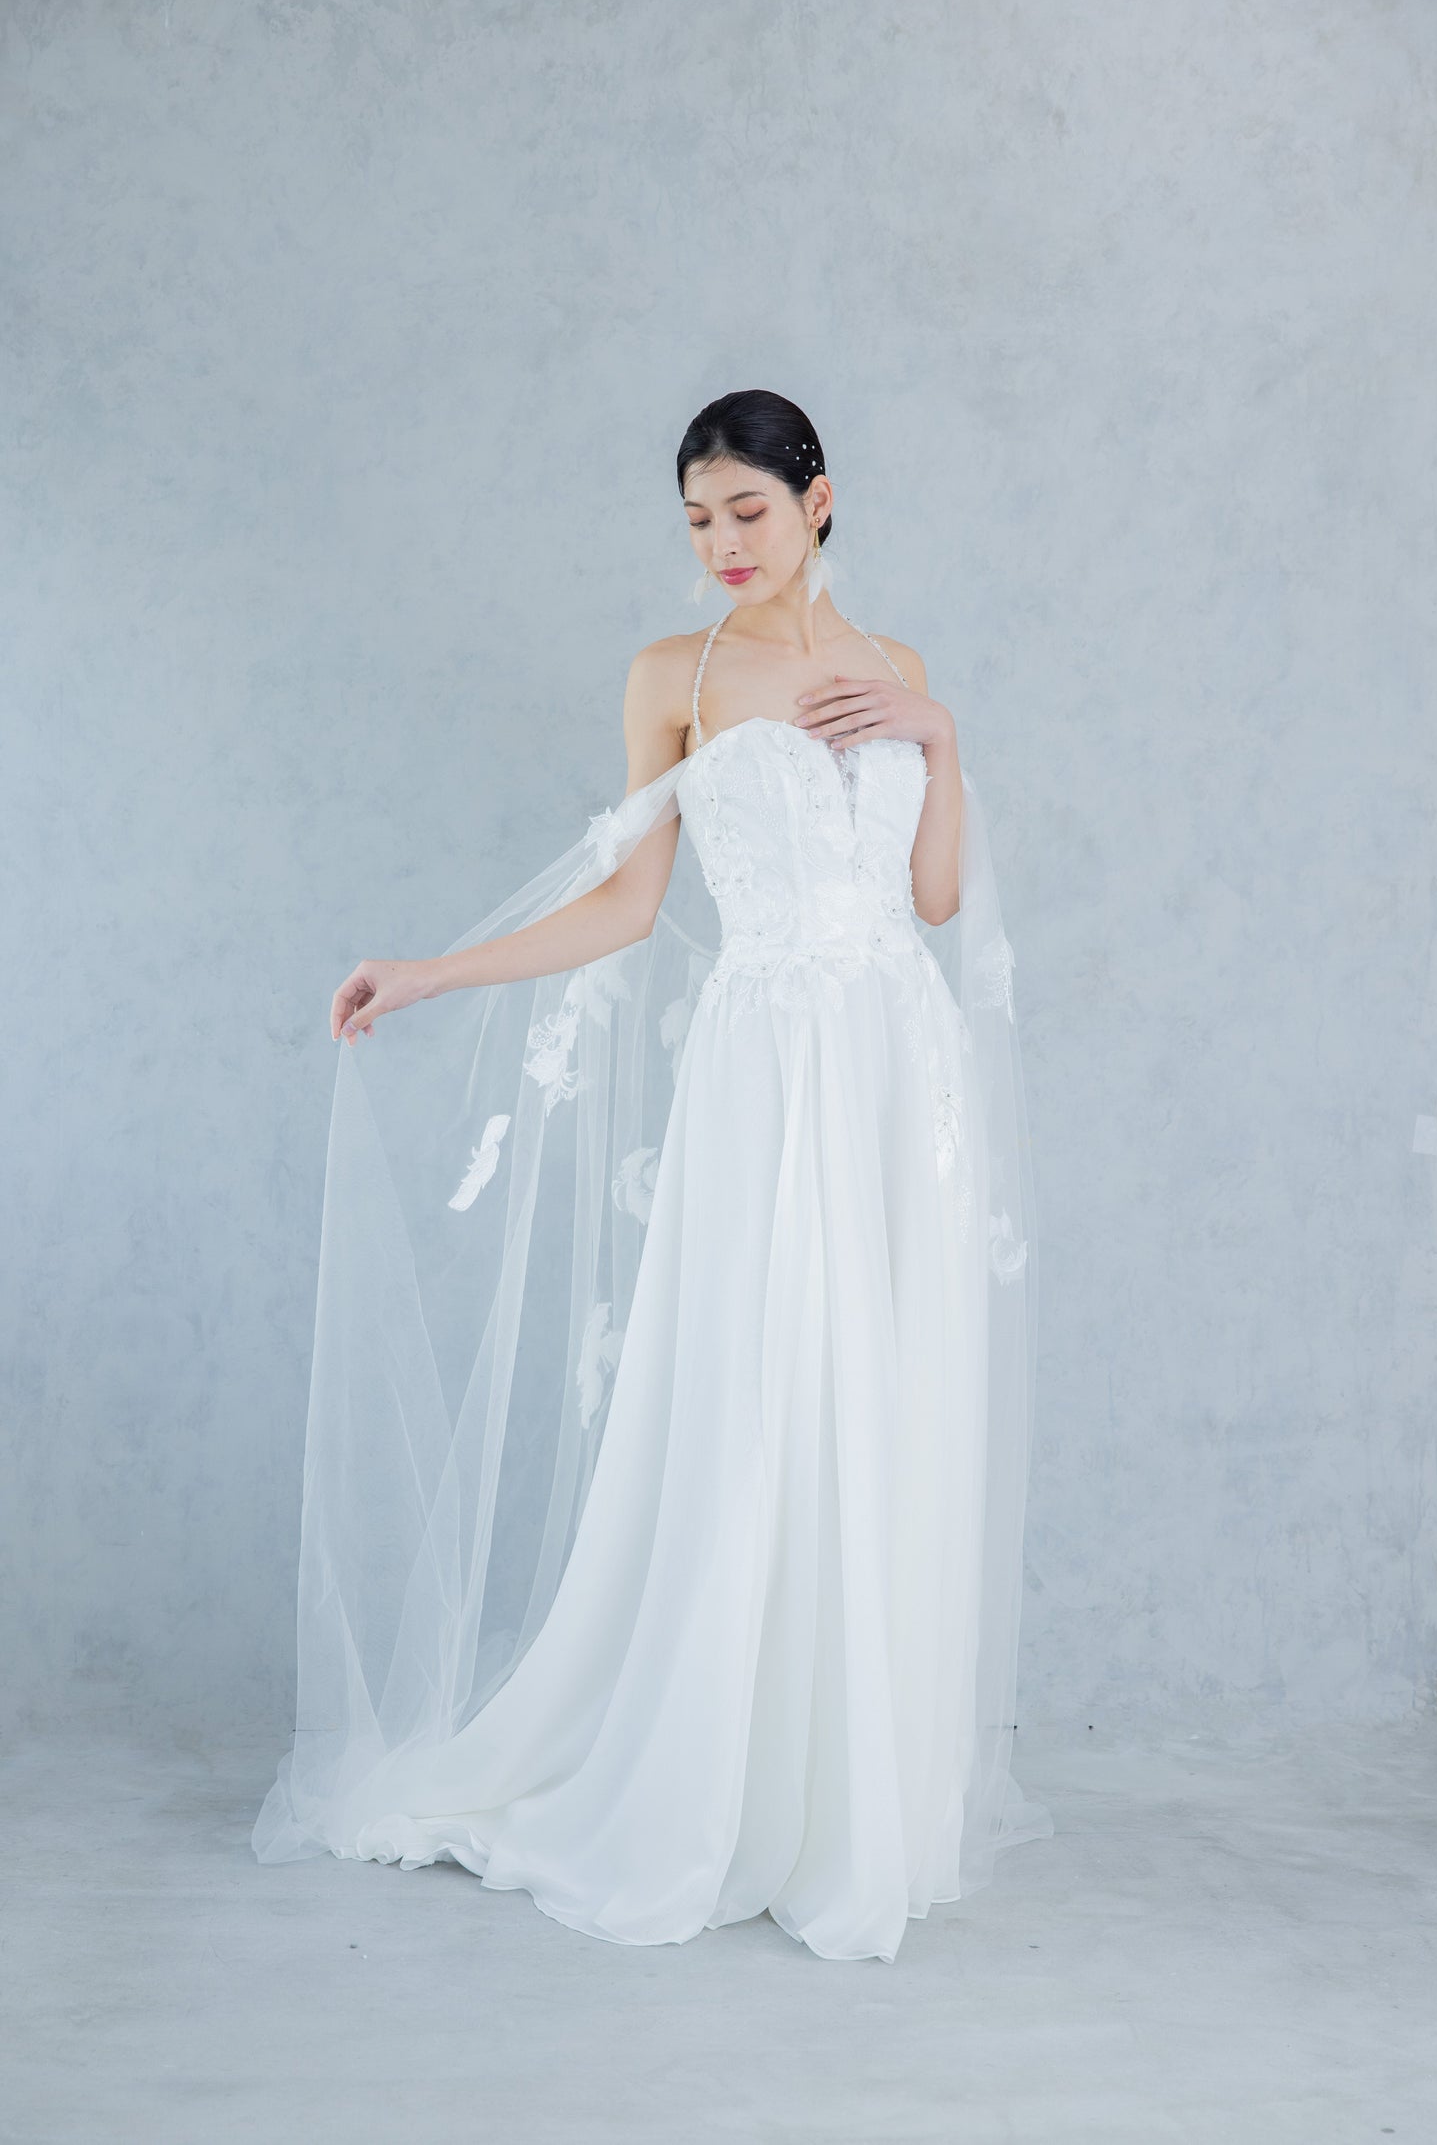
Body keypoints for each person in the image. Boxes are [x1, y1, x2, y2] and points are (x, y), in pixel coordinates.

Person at [251, 387, 1052, 1964]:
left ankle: (853, 1799)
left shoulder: (894, 668)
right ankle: (726, 1782)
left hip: (895, 1070)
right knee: (760, 1395)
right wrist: (430, 971)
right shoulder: (671, 677)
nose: (720, 543)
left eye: (747, 509)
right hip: (767, 1066)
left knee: (883, 1395)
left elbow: (936, 899)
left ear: (820, 499)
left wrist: (941, 738)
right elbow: (623, 905)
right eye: (696, 518)